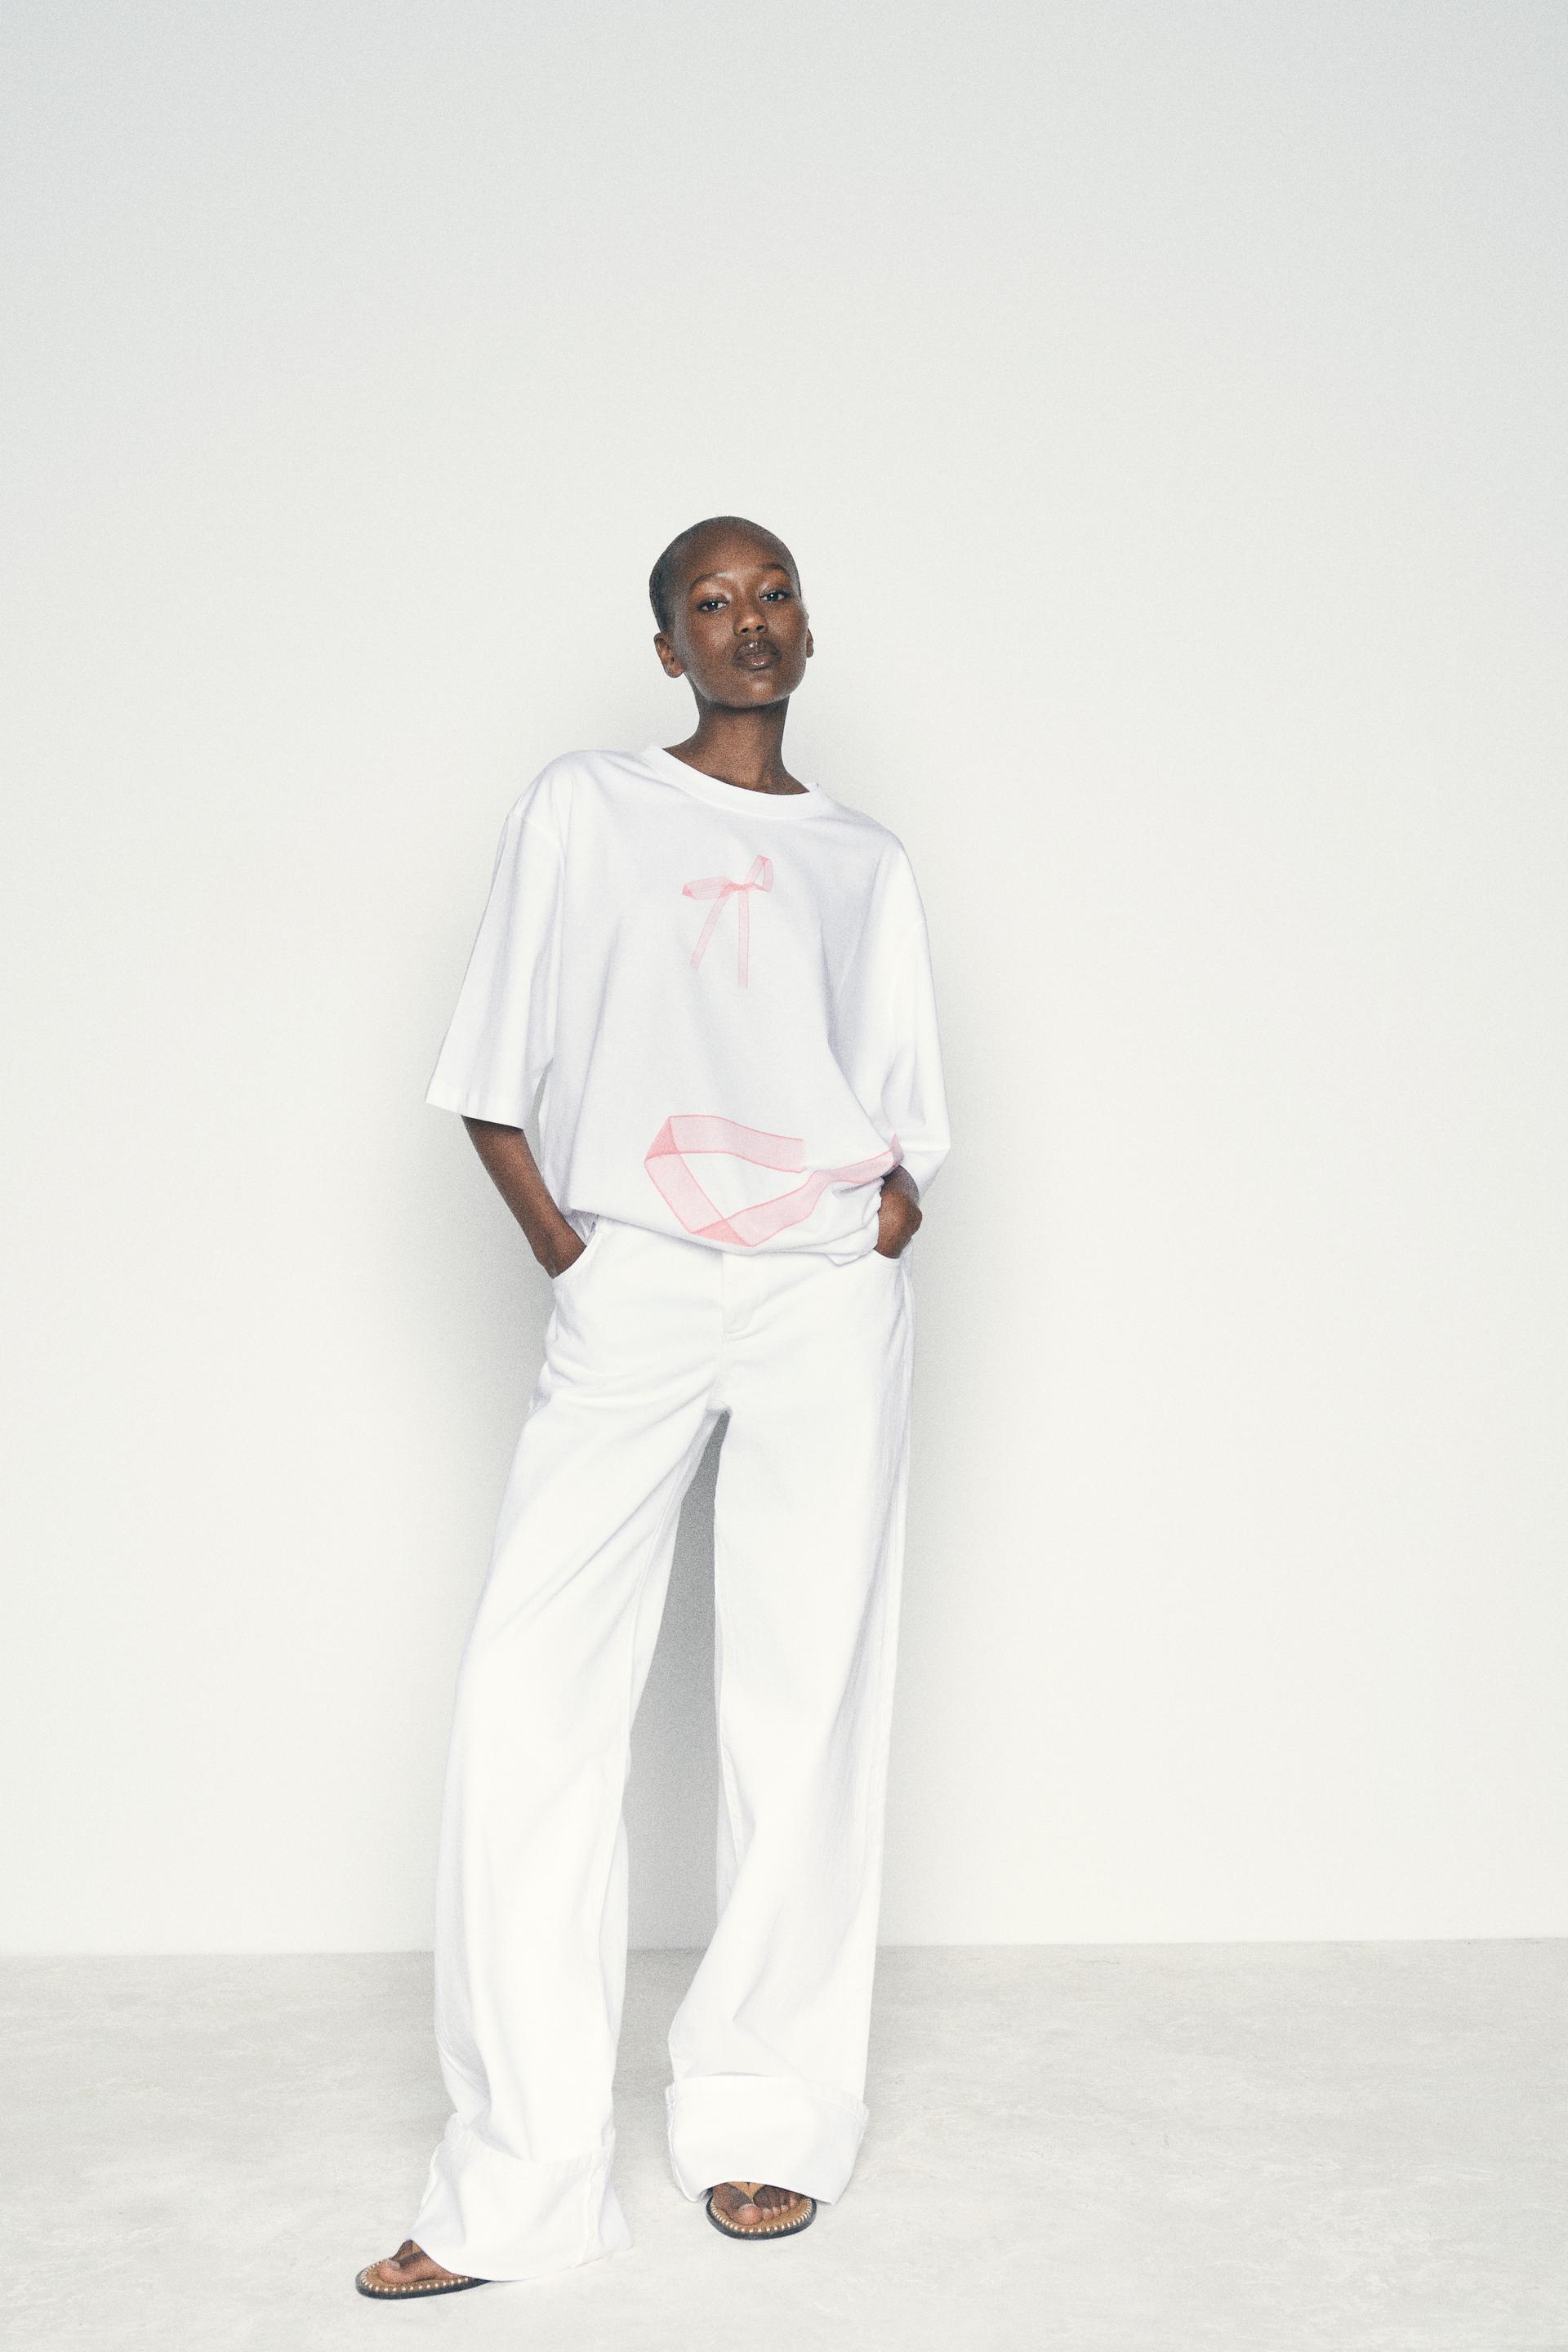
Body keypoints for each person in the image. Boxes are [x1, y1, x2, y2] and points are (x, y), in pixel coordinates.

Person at [356, 514, 950, 2299]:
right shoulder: (586, 806)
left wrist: (886, 1216)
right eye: (712, 601)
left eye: (775, 596)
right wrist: (573, 1252)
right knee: (528, 1701)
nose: (749, 622)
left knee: (803, 1701)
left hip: (823, 1296)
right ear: (667, 643)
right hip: (634, 1281)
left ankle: (769, 2116)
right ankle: (520, 2180)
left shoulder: (864, 859)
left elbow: (903, 1097)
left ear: (809, 631)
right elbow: (490, 1069)